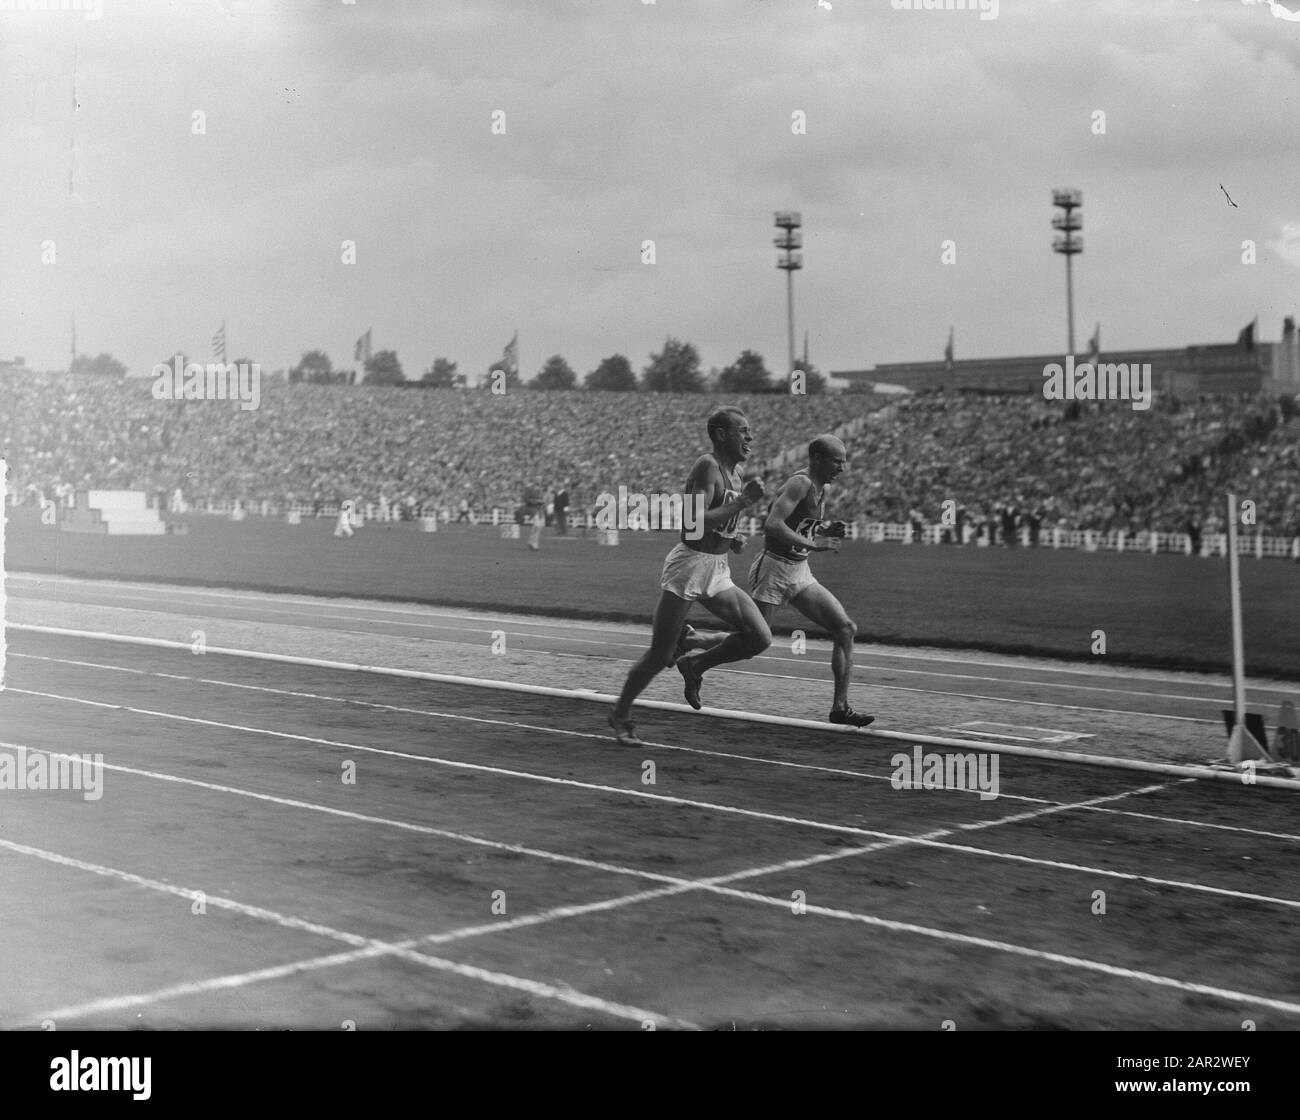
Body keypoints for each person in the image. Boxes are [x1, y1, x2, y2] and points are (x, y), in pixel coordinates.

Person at [683, 436, 874, 728]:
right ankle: (694, 660)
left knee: (845, 628)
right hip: (773, 570)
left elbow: (800, 520)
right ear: (818, 459)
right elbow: (772, 524)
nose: (843, 467)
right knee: (753, 641)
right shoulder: (800, 483)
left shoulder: (822, 488)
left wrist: (824, 527)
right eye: (837, 460)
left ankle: (840, 708)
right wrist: (813, 544)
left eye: (844, 460)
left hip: (799, 572)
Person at [608, 407, 770, 746]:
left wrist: (732, 536)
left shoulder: (735, 473)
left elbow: (718, 519)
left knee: (759, 637)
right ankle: (620, 714)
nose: (750, 437)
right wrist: (741, 503)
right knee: (659, 655)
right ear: (722, 435)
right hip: (689, 567)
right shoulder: (706, 466)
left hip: (717, 567)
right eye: (743, 430)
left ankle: (694, 664)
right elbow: (693, 523)